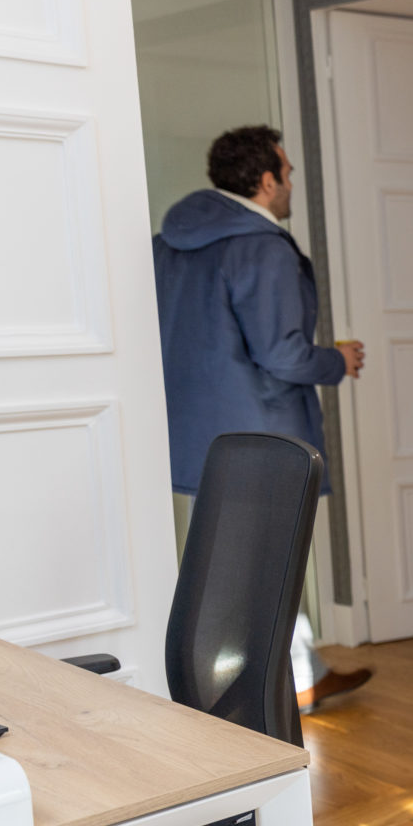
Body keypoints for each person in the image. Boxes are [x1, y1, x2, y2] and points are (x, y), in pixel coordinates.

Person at [152, 124, 372, 709]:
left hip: (202, 432)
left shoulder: (169, 243)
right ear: (267, 179)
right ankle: (275, 689)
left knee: (226, 569)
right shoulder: (262, 246)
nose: (291, 182)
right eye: (288, 171)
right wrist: (336, 360)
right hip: (263, 432)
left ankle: (290, 676)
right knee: (266, 565)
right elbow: (281, 353)